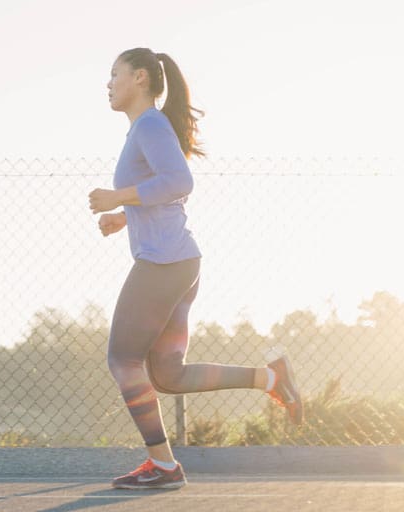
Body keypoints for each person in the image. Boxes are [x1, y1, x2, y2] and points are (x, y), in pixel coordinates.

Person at [88, 48, 303, 490]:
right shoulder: (144, 129)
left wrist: (118, 197)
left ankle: (164, 466)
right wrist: (124, 216)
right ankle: (271, 378)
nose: (108, 84)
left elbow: (181, 182)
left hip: (165, 264)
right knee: (167, 374)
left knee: (123, 359)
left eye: (115, 74)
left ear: (141, 78)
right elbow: (168, 192)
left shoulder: (148, 124)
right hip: (179, 262)